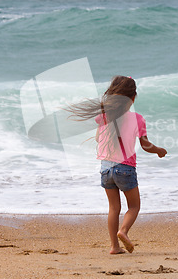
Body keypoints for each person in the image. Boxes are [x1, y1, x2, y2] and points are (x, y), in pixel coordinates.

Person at [68, 75, 167, 254]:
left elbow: (99, 139)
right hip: (125, 169)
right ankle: (124, 231)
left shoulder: (103, 117)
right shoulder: (137, 119)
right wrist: (159, 150)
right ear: (133, 98)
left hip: (105, 168)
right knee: (134, 206)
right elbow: (146, 145)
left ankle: (114, 246)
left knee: (114, 208)